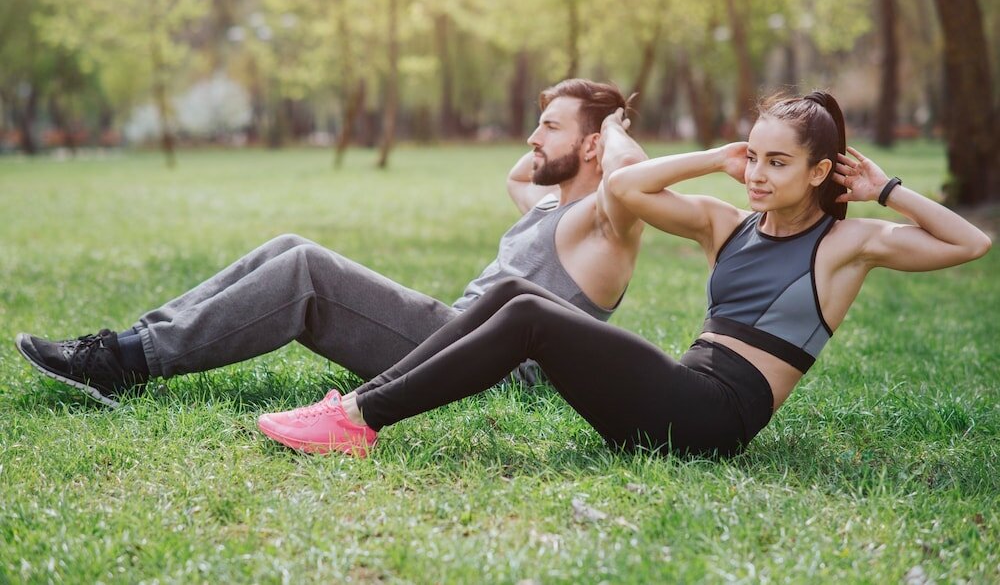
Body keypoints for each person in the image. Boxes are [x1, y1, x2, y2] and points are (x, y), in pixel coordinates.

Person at [256, 91, 991, 459]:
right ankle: (357, 405)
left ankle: (357, 421)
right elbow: (624, 191)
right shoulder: (726, 223)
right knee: (519, 292)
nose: (759, 176)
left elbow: (970, 242)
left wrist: (885, 188)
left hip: (714, 417)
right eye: (755, 158)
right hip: (679, 391)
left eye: (779, 162)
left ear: (822, 170)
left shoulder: (844, 245)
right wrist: (715, 157)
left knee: (529, 316)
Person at [15, 79, 647, 408]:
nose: (534, 136)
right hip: (454, 333)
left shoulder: (604, 224)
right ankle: (131, 342)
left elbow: (628, 171)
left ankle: (124, 363)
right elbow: (518, 172)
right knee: (289, 244)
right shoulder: (548, 204)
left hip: (491, 367)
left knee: (307, 272)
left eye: (550, 125)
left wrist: (611, 127)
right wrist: (562, 127)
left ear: (593, 146)